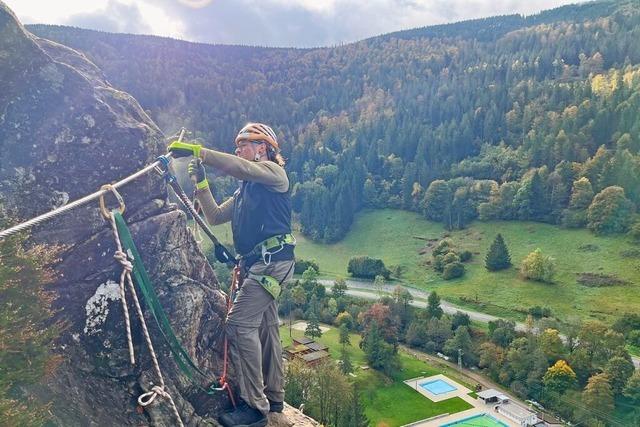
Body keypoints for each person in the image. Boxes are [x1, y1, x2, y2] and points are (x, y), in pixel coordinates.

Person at [168, 123, 295, 427]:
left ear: (262, 148)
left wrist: (200, 152)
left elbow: (240, 167)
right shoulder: (244, 191)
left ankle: (256, 409)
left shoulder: (275, 175)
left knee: (239, 325)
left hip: (270, 264)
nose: (238, 150)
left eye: (244, 144)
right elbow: (212, 215)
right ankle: (274, 399)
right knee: (265, 328)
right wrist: (200, 183)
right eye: (237, 145)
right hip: (261, 264)